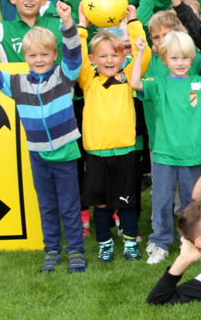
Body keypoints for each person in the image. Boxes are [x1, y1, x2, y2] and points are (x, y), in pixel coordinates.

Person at [0, 1, 86, 273]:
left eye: (44, 55)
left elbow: (74, 55)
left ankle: (75, 251)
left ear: (53, 55)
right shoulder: (16, 83)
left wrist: (68, 23)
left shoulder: (63, 77)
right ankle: (51, 250)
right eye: (33, 55)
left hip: (65, 152)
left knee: (70, 207)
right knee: (47, 206)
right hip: (37, 154)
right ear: (25, 57)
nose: (39, 60)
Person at [130, 31, 201, 265]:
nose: (180, 63)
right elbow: (134, 83)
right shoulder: (158, 84)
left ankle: (190, 241)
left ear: (192, 59)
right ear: (164, 60)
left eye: (185, 58)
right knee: (162, 201)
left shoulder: (199, 82)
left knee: (191, 203)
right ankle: (160, 242)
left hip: (193, 156)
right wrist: (141, 53)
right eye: (174, 59)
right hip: (164, 155)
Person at [76, 15, 150, 262]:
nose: (109, 60)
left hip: (125, 152)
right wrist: (82, 27)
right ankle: (104, 243)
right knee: (101, 205)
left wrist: (134, 22)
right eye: (103, 55)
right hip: (97, 154)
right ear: (92, 59)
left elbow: (145, 55)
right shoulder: (88, 79)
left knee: (127, 203)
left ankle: (130, 242)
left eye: (115, 55)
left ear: (123, 57)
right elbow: (74, 54)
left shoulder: (129, 77)